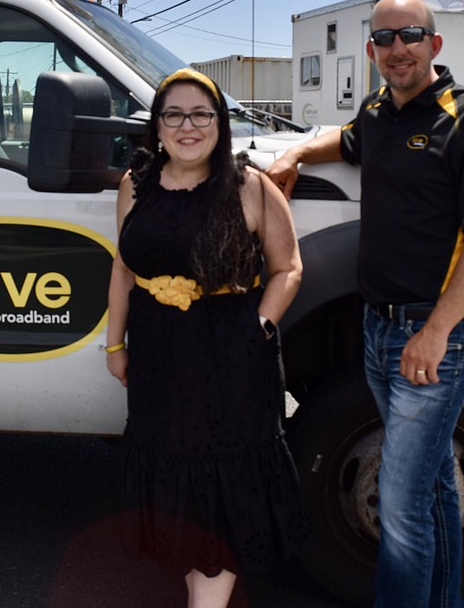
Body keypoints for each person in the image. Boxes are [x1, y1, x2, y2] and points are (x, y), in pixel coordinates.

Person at [266, 0, 464, 608]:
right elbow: (347, 140)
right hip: (379, 333)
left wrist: (436, 331)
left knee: (402, 507)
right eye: (383, 40)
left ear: (435, 43)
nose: (396, 49)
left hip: (437, 340)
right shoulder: (380, 111)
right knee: (431, 490)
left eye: (408, 36)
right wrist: (297, 151)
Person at [105, 67, 306, 607]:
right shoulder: (136, 184)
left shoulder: (250, 186)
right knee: (176, 470)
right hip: (159, 357)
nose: (187, 126)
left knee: (226, 477)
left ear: (220, 122)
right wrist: (115, 343)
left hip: (232, 359)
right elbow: (124, 268)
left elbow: (288, 267)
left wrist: (258, 326)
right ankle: (199, 585)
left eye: (200, 114)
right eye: (173, 115)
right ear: (157, 125)